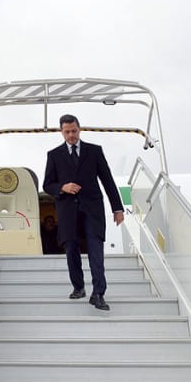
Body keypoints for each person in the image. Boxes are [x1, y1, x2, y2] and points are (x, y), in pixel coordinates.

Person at [43, 114, 124, 311]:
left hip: (92, 209)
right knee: (71, 249)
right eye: (67, 132)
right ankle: (78, 287)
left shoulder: (94, 151)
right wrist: (63, 187)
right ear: (61, 132)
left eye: (74, 131)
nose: (71, 135)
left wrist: (117, 208)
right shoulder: (54, 155)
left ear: (80, 129)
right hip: (68, 210)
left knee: (96, 248)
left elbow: (107, 180)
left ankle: (98, 293)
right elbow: (48, 185)